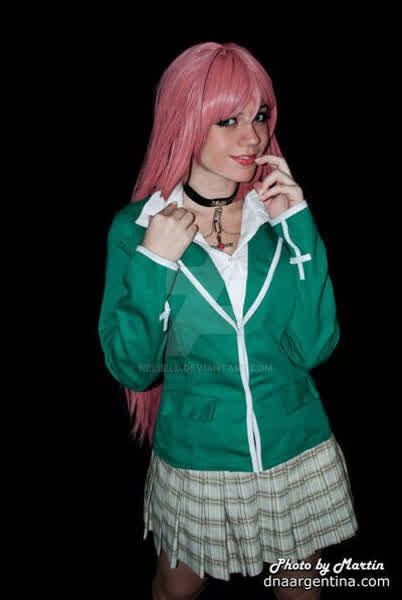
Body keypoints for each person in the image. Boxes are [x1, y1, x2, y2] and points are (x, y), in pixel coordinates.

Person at [98, 41, 359, 599]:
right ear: (186, 121)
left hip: (295, 448)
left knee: (301, 591)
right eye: (228, 120)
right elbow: (132, 368)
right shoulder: (138, 228)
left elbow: (315, 346)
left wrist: (299, 229)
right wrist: (154, 263)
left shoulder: (277, 217)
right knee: (176, 591)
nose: (254, 137)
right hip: (196, 458)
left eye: (260, 116)